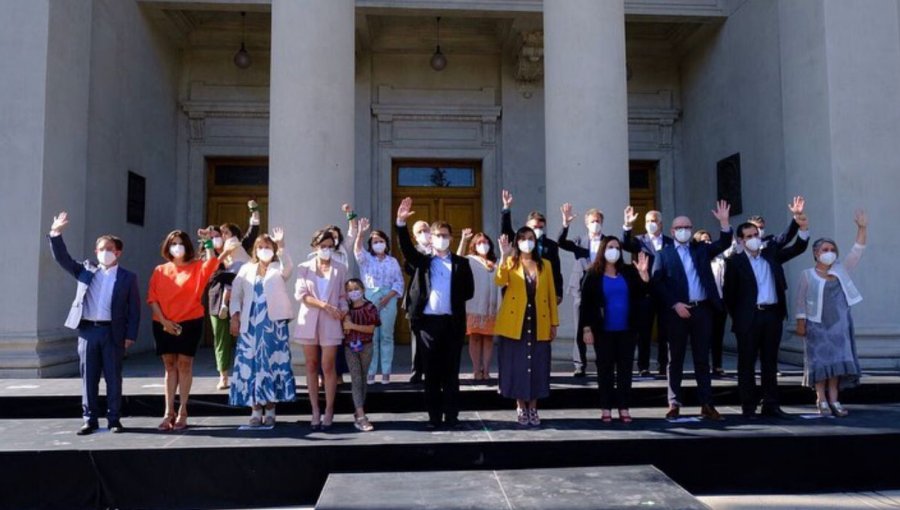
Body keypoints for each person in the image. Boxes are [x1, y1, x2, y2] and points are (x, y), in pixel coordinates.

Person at [48, 212, 140, 435]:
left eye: (109, 249)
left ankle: (114, 419)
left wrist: (131, 334)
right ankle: (90, 418)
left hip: (112, 332)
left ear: (118, 252)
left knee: (113, 377)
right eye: (101, 249)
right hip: (88, 330)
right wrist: (55, 233)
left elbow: (134, 309)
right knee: (88, 377)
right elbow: (62, 258)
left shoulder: (128, 277)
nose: (104, 253)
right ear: (95, 252)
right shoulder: (85, 270)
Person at [395, 197, 474, 429]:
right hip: (428, 324)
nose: (441, 239)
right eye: (437, 235)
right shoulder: (424, 261)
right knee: (431, 373)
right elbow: (407, 250)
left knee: (451, 374)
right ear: (431, 238)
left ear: (451, 238)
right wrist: (400, 224)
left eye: (445, 236)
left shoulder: (461, 263)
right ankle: (434, 418)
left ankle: (451, 417)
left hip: (451, 324)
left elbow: (468, 291)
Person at [651, 200, 733, 420]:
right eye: (679, 228)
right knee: (675, 358)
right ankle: (674, 403)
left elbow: (723, 243)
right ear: (672, 231)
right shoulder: (664, 254)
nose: (684, 231)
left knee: (701, 360)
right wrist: (674, 304)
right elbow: (657, 283)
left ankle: (706, 403)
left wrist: (724, 223)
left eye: (687, 227)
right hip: (676, 312)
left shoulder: (701, 250)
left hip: (701, 310)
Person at [724, 212, 810, 419]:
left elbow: (795, 245)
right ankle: (748, 406)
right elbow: (729, 295)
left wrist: (800, 225)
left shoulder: (770, 254)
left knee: (770, 362)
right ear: (741, 240)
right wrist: (740, 317)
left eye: (756, 234)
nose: (754, 238)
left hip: (772, 315)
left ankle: (771, 403)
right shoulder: (735, 262)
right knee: (747, 363)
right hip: (749, 318)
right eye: (749, 236)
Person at [148, 229, 223, 430]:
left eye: (180, 243)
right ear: (168, 247)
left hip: (190, 322)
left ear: (187, 246)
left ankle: (183, 411)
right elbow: (152, 298)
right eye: (173, 243)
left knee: (184, 365)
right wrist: (164, 322)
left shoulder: (197, 267)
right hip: (163, 323)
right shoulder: (160, 270)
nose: (177, 247)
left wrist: (208, 242)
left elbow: (212, 263)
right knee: (169, 366)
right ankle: (168, 412)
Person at [795, 210, 867, 417]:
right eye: (825, 249)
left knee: (836, 365)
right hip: (817, 326)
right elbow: (800, 301)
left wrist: (862, 228)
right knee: (821, 363)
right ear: (816, 253)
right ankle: (821, 399)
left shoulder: (840, 270)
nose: (830, 252)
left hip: (839, 325)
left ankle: (834, 399)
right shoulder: (807, 275)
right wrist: (801, 323)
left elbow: (857, 250)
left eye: (832, 249)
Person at [228, 229, 295, 427]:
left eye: (268, 247)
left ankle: (271, 409)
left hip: (273, 326)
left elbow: (289, 267)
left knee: (272, 364)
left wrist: (281, 245)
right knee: (253, 365)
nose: (264, 250)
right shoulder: (246, 269)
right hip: (250, 326)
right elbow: (236, 295)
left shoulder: (278, 267)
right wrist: (235, 317)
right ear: (255, 250)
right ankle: (256, 409)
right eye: (260, 247)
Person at [580, 239, 650, 424]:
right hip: (603, 331)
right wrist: (586, 329)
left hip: (627, 330)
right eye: (610, 247)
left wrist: (644, 275)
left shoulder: (628, 272)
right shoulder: (593, 274)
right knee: (605, 371)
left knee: (625, 371)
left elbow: (642, 293)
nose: (614, 251)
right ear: (603, 250)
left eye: (617, 248)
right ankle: (606, 407)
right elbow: (586, 304)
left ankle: (624, 407)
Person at [494, 228, 559, 426]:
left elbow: (550, 294)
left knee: (538, 364)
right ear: (517, 242)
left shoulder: (545, 265)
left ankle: (534, 407)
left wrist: (554, 323)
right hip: (516, 321)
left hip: (539, 319)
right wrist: (503, 256)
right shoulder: (511, 262)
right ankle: (521, 405)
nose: (527, 242)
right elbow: (499, 281)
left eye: (530, 238)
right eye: (523, 238)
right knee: (518, 365)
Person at [294, 229, 349, 430]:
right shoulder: (304, 267)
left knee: (328, 366)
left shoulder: (340, 268)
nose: (326, 249)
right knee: (311, 365)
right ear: (315, 247)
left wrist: (343, 310)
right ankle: (315, 409)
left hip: (331, 322)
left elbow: (343, 295)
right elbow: (301, 295)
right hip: (309, 319)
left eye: (329, 246)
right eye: (322, 246)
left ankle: (329, 409)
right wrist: (325, 306)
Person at [204, 200, 260, 390]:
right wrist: (209, 245)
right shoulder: (209, 252)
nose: (223, 237)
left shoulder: (240, 248)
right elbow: (208, 273)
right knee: (221, 339)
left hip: (243, 298)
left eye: (225, 234)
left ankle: (247, 372)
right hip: (217, 299)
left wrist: (254, 210)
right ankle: (224, 376)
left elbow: (253, 230)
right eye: (220, 234)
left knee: (246, 336)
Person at [557, 203, 612, 377]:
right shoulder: (580, 241)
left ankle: (603, 361)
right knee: (580, 327)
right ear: (586, 223)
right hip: (581, 289)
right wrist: (565, 224)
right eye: (592, 221)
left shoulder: (608, 241)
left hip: (603, 288)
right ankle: (580, 364)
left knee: (602, 327)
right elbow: (561, 243)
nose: (595, 224)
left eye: (598, 221)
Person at [623, 207, 674, 377]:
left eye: (654, 221)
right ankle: (643, 366)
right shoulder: (639, 241)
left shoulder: (670, 242)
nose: (651, 224)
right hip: (645, 292)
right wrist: (627, 226)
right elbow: (625, 244)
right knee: (644, 331)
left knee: (665, 331)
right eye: (648, 221)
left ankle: (663, 365)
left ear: (661, 223)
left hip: (665, 292)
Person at [353, 217, 404, 384]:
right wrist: (360, 233)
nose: (378, 244)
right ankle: (371, 372)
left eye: (381, 241)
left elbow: (399, 281)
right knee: (372, 336)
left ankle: (386, 372)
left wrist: (388, 296)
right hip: (370, 298)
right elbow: (358, 250)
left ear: (386, 243)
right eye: (375, 241)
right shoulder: (367, 259)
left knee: (387, 336)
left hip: (388, 299)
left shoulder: (393, 261)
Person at [500, 189, 563, 305]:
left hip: (542, 290)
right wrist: (506, 208)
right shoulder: (519, 240)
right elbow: (506, 231)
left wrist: (558, 293)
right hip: (520, 287)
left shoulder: (551, 245)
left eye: (540, 227)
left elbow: (556, 270)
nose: (537, 230)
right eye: (534, 227)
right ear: (527, 226)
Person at [457, 228, 500, 381]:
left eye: (486, 242)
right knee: (475, 338)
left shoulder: (496, 262)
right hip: (474, 307)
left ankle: (486, 370)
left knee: (488, 338)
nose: (484, 245)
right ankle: (476, 370)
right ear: (474, 245)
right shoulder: (469, 260)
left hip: (491, 307)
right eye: (480, 242)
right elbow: (457, 258)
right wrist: (464, 240)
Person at [342, 278, 381, 431]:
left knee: (363, 377)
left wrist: (353, 326)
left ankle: (358, 410)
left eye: (356, 288)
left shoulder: (370, 307)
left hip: (366, 346)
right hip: (350, 347)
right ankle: (361, 415)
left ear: (363, 290)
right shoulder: (347, 311)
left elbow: (371, 329)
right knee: (356, 378)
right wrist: (346, 323)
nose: (353, 292)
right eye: (350, 290)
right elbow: (344, 328)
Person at [693, 229, 729, 377]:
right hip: (704, 301)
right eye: (703, 240)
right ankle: (702, 364)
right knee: (703, 335)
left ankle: (717, 364)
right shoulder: (696, 259)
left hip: (720, 300)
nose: (706, 242)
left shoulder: (721, 259)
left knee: (718, 334)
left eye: (708, 239)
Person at [405, 220, 432, 384]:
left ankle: (432, 371)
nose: (424, 233)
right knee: (417, 337)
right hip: (417, 301)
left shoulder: (439, 250)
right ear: (415, 236)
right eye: (420, 231)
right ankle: (416, 371)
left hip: (436, 301)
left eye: (426, 229)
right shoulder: (413, 251)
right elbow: (408, 268)